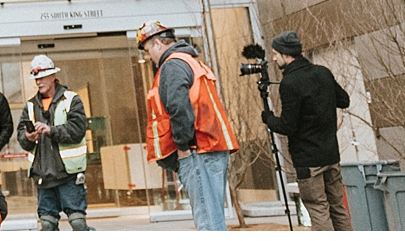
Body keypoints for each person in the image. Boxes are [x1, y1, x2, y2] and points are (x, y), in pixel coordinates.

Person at [137, 20, 239, 232]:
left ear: (157, 43)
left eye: (148, 51)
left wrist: (182, 147)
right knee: (213, 217)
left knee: (208, 222)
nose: (149, 58)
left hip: (197, 151)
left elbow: (179, 107)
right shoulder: (190, 61)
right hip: (210, 146)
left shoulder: (172, 65)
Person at [260, 31, 353, 231]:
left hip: (308, 161)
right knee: (337, 207)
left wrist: (268, 119)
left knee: (318, 209)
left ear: (286, 54)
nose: (274, 58)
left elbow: (287, 126)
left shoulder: (290, 82)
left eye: (275, 53)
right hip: (331, 154)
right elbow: (344, 100)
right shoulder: (323, 73)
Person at [15, 54, 90, 231]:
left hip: (68, 174)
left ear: (53, 76)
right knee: (47, 225)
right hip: (43, 176)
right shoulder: (31, 105)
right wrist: (28, 137)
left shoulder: (71, 99)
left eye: (41, 78)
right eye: (36, 78)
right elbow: (21, 136)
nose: (38, 82)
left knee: (78, 223)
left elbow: (77, 130)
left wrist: (51, 130)